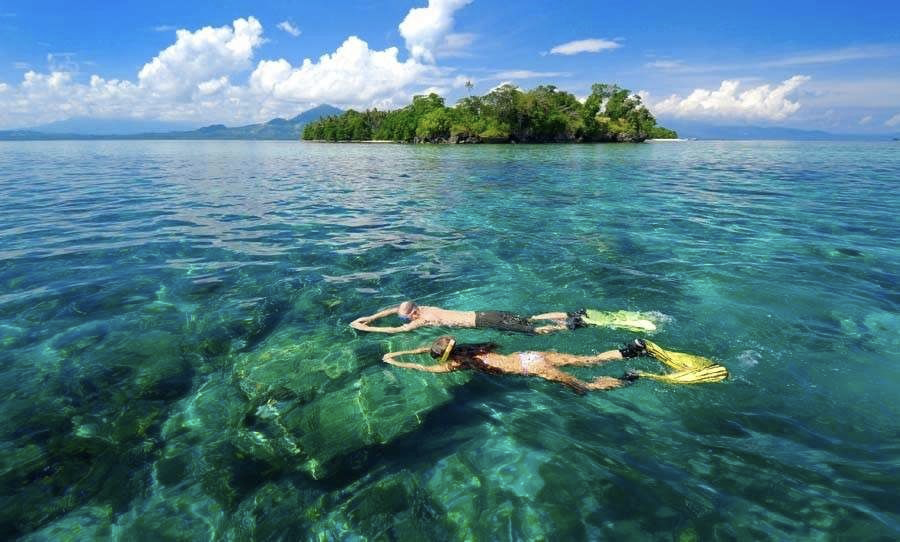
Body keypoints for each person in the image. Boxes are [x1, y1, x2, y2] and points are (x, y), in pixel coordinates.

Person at [381, 335, 656, 393]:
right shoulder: (470, 348)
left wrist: (398, 361)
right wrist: (412, 349)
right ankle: (631, 350)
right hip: (532, 355)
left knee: (581, 385)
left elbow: (425, 368)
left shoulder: (457, 364)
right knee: (590, 360)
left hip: (532, 368)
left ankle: (627, 379)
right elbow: (429, 352)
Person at [350, 300, 583, 334]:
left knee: (532, 330)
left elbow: (396, 331)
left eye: (406, 318)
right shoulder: (421, 307)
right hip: (487, 312)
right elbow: (394, 309)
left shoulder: (424, 318)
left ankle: (569, 326)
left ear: (415, 313)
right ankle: (569, 314)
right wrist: (370, 317)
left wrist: (367, 328)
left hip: (483, 321)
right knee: (530, 318)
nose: (406, 321)